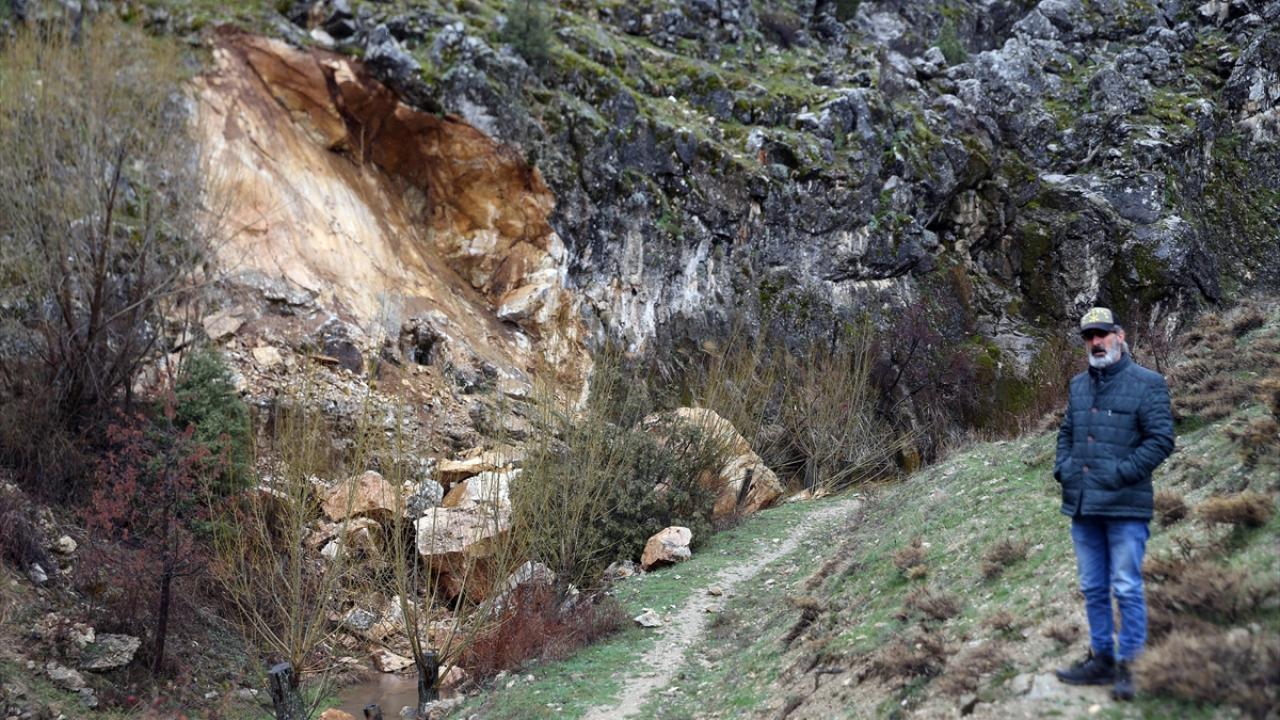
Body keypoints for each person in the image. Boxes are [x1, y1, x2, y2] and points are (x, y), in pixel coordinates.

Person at [1052, 307, 1175, 701]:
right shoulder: (1077, 386)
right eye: (1089, 336)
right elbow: (1066, 432)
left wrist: (1120, 475)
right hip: (1083, 505)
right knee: (1093, 587)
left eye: (1102, 334)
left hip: (1126, 506)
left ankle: (1132, 666)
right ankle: (1102, 659)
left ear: (1119, 336)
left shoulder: (1148, 383)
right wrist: (1064, 469)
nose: (1096, 342)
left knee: (1126, 587)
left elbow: (1161, 440)